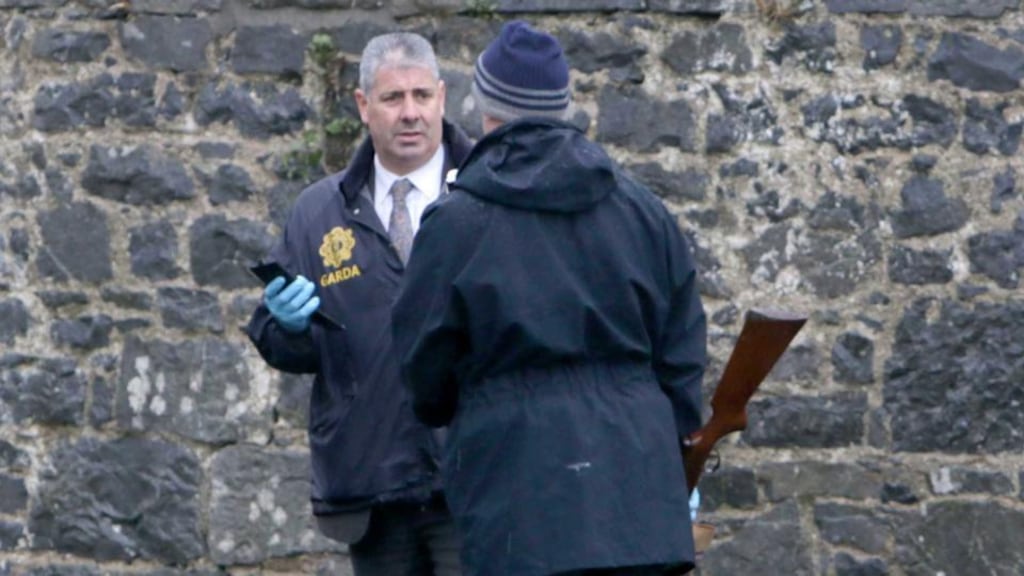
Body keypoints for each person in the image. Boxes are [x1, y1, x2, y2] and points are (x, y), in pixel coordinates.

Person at [392, 20, 708, 576]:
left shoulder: (457, 224)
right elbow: (681, 347)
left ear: (483, 107)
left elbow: (424, 366)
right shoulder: (642, 211)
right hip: (638, 498)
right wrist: (671, 440)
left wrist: (457, 410)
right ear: (564, 106)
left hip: (517, 502)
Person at [246, 31, 473, 576]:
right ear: (363, 106)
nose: (411, 113)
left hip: (472, 477)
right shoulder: (318, 212)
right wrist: (288, 326)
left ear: (443, 97)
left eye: (422, 96)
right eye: (394, 99)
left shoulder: (484, 193)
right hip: (372, 484)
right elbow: (277, 342)